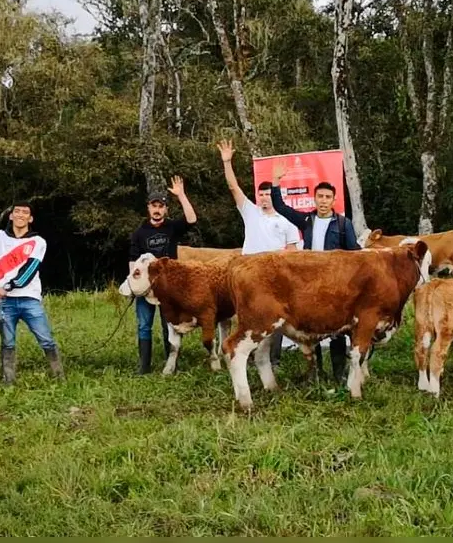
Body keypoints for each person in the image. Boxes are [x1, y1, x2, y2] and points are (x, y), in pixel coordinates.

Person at [0, 191, 64, 385]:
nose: (20, 215)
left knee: (46, 339)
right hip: (5, 302)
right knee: (7, 342)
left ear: (30, 218)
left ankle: (59, 377)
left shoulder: (38, 241)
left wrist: (8, 286)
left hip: (29, 299)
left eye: (25, 212)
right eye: (17, 211)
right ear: (11, 215)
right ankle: (8, 381)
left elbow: (30, 269)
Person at [270, 162, 361, 384]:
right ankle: (317, 373)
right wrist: (275, 182)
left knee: (338, 330)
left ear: (333, 200)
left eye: (327, 197)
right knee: (314, 330)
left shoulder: (343, 224)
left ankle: (339, 375)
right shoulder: (306, 220)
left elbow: (355, 255)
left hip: (337, 287)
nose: (323, 200)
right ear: (314, 198)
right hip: (311, 286)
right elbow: (281, 207)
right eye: (319, 196)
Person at [218, 139, 300, 367]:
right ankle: (246, 356)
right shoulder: (250, 212)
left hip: (274, 277)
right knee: (246, 317)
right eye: (261, 194)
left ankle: (273, 359)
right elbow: (233, 187)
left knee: (275, 318)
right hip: (248, 275)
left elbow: (293, 254)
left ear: (274, 195)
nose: (264, 197)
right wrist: (227, 162)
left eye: (268, 194)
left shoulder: (286, 222)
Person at [129, 176, 198, 375]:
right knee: (144, 325)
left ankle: (172, 363)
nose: (157, 209)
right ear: (148, 209)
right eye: (154, 206)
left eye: (161, 206)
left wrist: (182, 195)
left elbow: (192, 220)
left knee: (170, 324)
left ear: (166, 209)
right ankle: (144, 367)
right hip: (146, 288)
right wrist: (134, 287)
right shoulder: (139, 233)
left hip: (168, 287)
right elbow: (133, 261)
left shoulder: (172, 227)